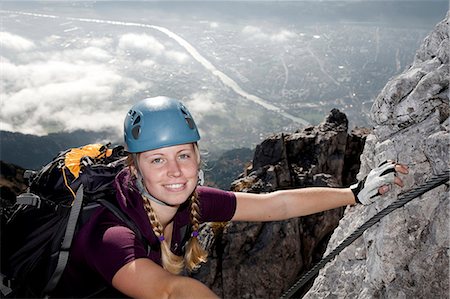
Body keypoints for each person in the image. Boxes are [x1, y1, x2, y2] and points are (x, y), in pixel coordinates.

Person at [54, 96, 409, 298]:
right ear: (135, 168)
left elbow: (276, 205)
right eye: (157, 160)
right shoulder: (110, 235)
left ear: (197, 158)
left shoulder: (192, 202)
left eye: (183, 155)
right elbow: (170, 292)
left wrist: (352, 194)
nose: (176, 171)